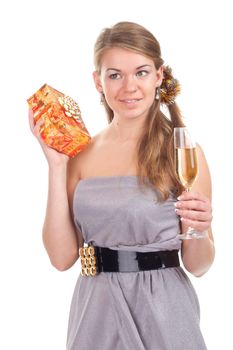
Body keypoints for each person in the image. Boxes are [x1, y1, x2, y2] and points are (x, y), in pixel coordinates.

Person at [29, 21, 215, 350]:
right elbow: (61, 258)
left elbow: (199, 265)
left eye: (141, 72)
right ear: (98, 82)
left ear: (159, 76)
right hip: (95, 312)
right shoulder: (78, 155)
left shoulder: (183, 152)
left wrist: (200, 227)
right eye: (114, 74)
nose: (129, 87)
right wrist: (56, 166)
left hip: (164, 312)